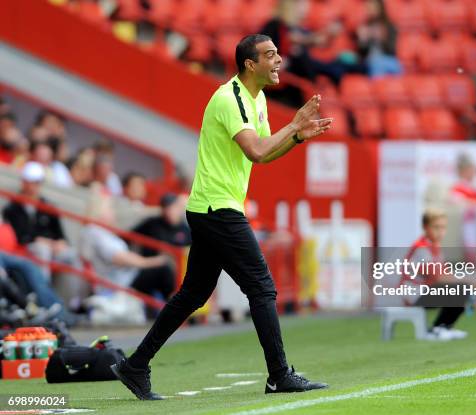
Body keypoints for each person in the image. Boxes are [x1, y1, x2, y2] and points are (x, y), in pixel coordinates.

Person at [111, 34, 332, 400]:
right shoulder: (229, 98)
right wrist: (293, 126)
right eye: (271, 55)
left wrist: (295, 138)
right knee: (261, 287)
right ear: (250, 64)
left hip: (210, 207)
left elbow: (262, 154)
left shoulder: (255, 97)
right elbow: (258, 151)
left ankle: (136, 365)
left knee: (193, 293)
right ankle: (279, 375)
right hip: (218, 209)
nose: (279, 61)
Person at [80, 189, 174, 301]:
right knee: (163, 269)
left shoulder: (102, 231)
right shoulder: (95, 230)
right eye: (109, 209)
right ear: (99, 212)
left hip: (125, 277)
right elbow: (119, 258)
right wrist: (154, 261)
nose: (113, 212)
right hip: (117, 283)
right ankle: (179, 312)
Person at [2, 162, 81, 282]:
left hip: (50, 248)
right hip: (28, 248)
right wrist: (40, 241)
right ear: (23, 182)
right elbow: (19, 237)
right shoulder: (12, 208)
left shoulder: (48, 207)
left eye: (36, 182)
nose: (32, 186)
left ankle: (72, 298)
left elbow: (61, 235)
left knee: (72, 254)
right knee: (41, 250)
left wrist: (59, 243)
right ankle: (44, 292)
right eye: (29, 181)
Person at [400, 208, 468, 341]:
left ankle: (444, 327)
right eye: (436, 227)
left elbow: (443, 272)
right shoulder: (422, 247)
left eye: (443, 227)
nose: (440, 231)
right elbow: (436, 276)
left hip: (423, 290)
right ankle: (438, 329)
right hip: (413, 294)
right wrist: (470, 283)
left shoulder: (434, 247)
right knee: (460, 290)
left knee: (461, 290)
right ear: (425, 227)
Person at [354, 0, 402, 77]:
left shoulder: (389, 26)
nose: (370, 10)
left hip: (388, 59)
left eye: (373, 8)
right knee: (375, 64)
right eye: (368, 8)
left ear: (380, 8)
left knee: (396, 68)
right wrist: (363, 41)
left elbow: (392, 50)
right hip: (370, 61)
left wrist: (381, 38)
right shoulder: (365, 27)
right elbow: (361, 54)